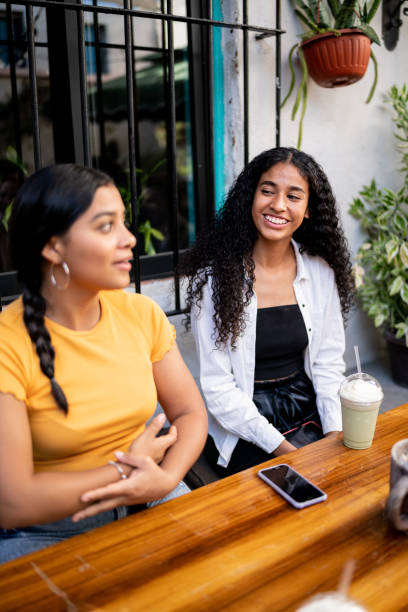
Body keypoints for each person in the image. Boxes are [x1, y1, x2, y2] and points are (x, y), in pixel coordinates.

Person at [0, 164, 207, 563]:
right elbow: (13, 502)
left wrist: (164, 478)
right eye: (106, 226)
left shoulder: (140, 313)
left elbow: (189, 412)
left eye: (124, 224)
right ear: (53, 246)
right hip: (50, 532)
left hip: (152, 497)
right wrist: (126, 472)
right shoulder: (9, 344)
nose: (130, 239)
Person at [180, 147, 354, 477]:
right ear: (250, 198)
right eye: (267, 191)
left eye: (294, 196)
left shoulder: (320, 272)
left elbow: (328, 363)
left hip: (307, 408)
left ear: (308, 210)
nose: (278, 205)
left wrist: (334, 435)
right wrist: (289, 453)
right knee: (284, 497)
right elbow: (219, 388)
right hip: (245, 421)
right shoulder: (214, 280)